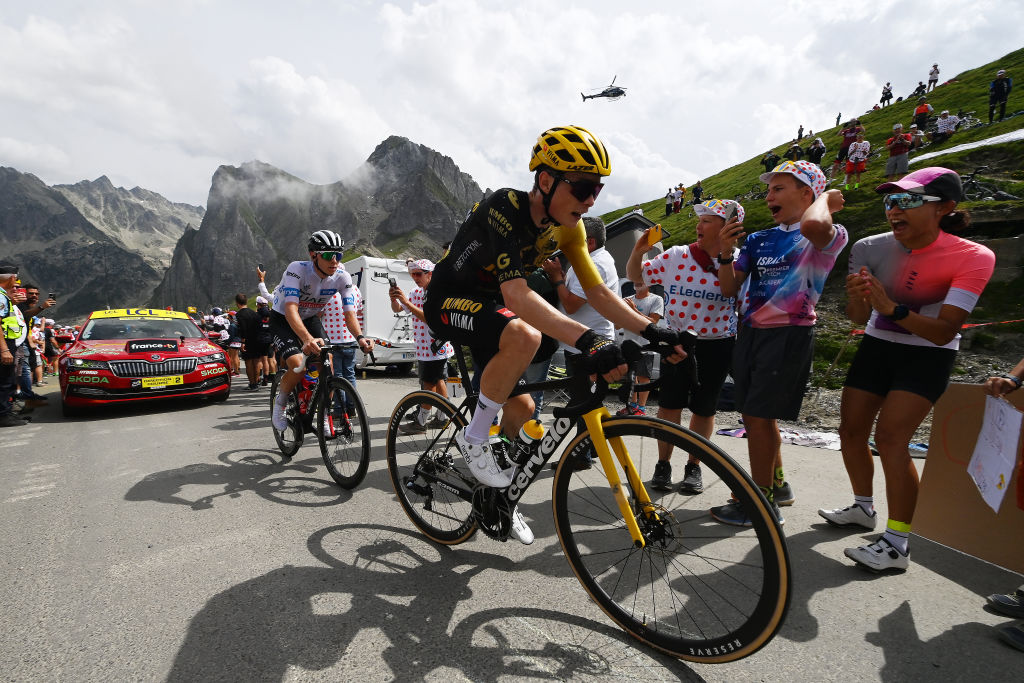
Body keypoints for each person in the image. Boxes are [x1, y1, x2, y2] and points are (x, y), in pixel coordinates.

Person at [423, 125, 686, 545]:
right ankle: (474, 441)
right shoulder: (504, 207)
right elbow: (517, 293)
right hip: (449, 299)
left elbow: (599, 292)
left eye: (597, 189)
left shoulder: (569, 228)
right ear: (546, 180)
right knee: (525, 336)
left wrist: (655, 331)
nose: (591, 200)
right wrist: (589, 340)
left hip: (488, 306)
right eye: (582, 187)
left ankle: (498, 498)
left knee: (524, 411)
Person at [820, 167, 995, 572]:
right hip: (878, 345)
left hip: (928, 353)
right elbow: (855, 315)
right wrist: (862, 302)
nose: (895, 208)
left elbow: (943, 331)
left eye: (909, 200)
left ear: (944, 208)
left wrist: (891, 308)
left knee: (893, 438)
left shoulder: (974, 256)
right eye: (890, 200)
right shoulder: (869, 247)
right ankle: (863, 509)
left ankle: (897, 543)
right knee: (850, 430)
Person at [714, 160, 849, 525]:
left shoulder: (827, 233)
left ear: (807, 193)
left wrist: (828, 201)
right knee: (754, 416)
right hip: (751, 332)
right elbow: (729, 288)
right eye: (769, 189)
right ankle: (778, 486)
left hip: (788, 332)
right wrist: (726, 253)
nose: (768, 196)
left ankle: (760, 504)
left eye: (778, 188)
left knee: (759, 417)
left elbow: (814, 222)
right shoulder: (758, 239)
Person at [627, 199, 743, 494]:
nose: (698, 225)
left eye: (707, 220)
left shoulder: (740, 260)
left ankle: (694, 466)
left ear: (727, 227)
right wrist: (639, 251)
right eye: (700, 219)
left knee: (704, 409)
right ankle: (662, 465)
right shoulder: (678, 255)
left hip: (718, 345)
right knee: (669, 407)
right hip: (676, 343)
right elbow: (635, 277)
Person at [269, 230, 372, 433]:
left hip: (309, 319)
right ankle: (280, 404)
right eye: (327, 255)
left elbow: (349, 314)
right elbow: (291, 310)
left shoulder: (342, 278)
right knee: (299, 364)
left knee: (328, 363)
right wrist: (307, 339)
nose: (334, 260)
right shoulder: (296, 270)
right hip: (283, 319)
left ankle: (324, 414)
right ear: (313, 255)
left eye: (338, 255)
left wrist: (360, 338)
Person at [390, 259, 453, 432]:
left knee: (428, 384)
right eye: (413, 274)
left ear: (430, 274)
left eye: (419, 274)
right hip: (425, 347)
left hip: (435, 347)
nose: (415, 277)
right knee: (439, 381)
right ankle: (442, 418)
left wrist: (407, 303)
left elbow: (431, 319)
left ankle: (421, 422)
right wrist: (394, 299)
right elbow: (398, 310)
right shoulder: (415, 292)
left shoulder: (437, 292)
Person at [323, 276, 370, 420]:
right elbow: (359, 312)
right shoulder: (354, 290)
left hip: (332, 341)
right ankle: (351, 408)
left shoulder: (327, 291)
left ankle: (338, 409)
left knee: (337, 376)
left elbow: (318, 314)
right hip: (350, 338)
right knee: (350, 375)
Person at [615, 280, 664, 416]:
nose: (637, 282)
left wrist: (634, 311)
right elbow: (617, 325)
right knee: (631, 377)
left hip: (645, 345)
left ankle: (641, 409)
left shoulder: (656, 299)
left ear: (648, 283)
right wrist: (621, 314)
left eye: (641, 279)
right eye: (635, 279)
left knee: (643, 377)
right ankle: (632, 406)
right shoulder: (627, 300)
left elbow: (653, 322)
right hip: (628, 345)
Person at [0, 263, 28, 427]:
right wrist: (4, 350)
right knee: (4, 381)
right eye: (16, 278)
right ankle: (3, 415)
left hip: (9, 342)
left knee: (8, 379)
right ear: (12, 278)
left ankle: (7, 412)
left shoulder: (4, 296)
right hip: (4, 344)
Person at [234, 293, 263, 390]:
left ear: (237, 303)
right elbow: (260, 327)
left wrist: (242, 342)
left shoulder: (239, 315)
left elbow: (243, 329)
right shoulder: (255, 314)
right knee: (257, 361)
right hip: (258, 339)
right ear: (246, 301)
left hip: (247, 341)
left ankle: (252, 384)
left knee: (248, 363)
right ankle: (257, 380)